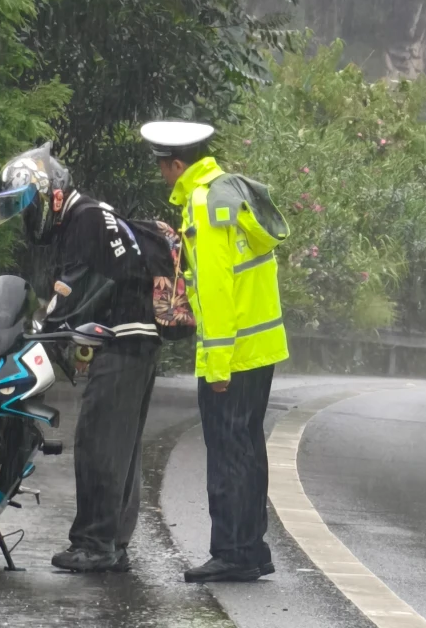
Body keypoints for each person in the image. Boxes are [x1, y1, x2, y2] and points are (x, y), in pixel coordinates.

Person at [0, 142, 160, 573]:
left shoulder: (85, 219)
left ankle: (94, 545)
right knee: (120, 447)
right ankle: (113, 543)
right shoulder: (93, 215)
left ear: (50, 194)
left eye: (27, 207)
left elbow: (71, 291)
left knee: (99, 443)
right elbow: (95, 286)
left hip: (122, 338)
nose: (27, 218)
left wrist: (36, 334)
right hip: (134, 338)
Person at [139, 120, 290, 583]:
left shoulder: (205, 204)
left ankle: (234, 552)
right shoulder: (231, 190)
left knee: (228, 452)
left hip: (233, 353)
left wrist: (218, 364)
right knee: (247, 448)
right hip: (259, 347)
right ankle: (251, 547)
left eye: (163, 167)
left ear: (176, 164)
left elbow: (218, 288)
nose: (163, 176)